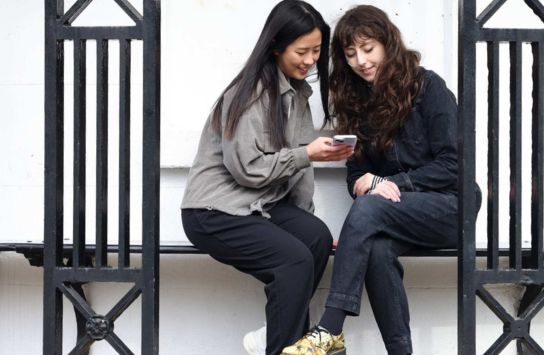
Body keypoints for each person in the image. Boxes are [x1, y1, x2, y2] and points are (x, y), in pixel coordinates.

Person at [282, 5, 481, 355]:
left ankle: (329, 328)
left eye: (368, 48)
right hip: (398, 215)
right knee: (374, 247)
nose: (361, 60)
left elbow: (455, 166)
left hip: (452, 206)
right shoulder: (357, 103)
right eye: (350, 53)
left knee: (371, 207)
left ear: (388, 43)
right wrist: (369, 182)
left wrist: (392, 185)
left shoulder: (428, 87)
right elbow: (356, 176)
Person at [180, 1, 354, 355]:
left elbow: (299, 168)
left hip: (258, 205)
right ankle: (282, 346)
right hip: (214, 210)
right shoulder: (249, 93)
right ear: (276, 46)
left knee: (316, 238)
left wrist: (303, 215)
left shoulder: (298, 93)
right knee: (293, 261)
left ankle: (274, 336)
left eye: (316, 51)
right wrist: (308, 154)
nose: (309, 60)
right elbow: (247, 168)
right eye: (301, 51)